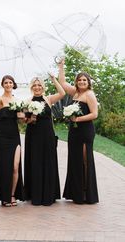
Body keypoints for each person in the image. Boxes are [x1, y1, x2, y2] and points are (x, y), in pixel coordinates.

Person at [58, 59, 99, 204]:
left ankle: (87, 194)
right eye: (79, 80)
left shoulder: (90, 94)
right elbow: (62, 83)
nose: (81, 82)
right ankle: (76, 193)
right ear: (76, 82)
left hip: (85, 131)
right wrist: (61, 66)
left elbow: (94, 114)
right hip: (74, 132)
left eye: (84, 80)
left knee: (85, 159)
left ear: (88, 82)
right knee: (74, 160)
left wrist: (77, 120)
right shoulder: (74, 92)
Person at [24, 75, 65, 206]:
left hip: (47, 135)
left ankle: (49, 194)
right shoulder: (27, 101)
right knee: (35, 162)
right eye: (34, 85)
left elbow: (62, 93)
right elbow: (25, 121)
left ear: (43, 87)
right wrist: (32, 119)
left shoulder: (48, 99)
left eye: (39, 85)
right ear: (31, 87)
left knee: (48, 162)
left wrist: (54, 79)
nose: (37, 87)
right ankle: (35, 195)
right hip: (33, 135)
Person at [0, 73, 24, 207]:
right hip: (1, 136)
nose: (8, 84)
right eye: (6, 83)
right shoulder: (1, 99)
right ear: (2, 85)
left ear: (13, 84)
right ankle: (5, 197)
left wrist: (24, 116)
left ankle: (13, 194)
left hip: (15, 136)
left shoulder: (18, 100)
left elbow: (22, 119)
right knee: (4, 167)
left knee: (15, 167)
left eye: (10, 82)